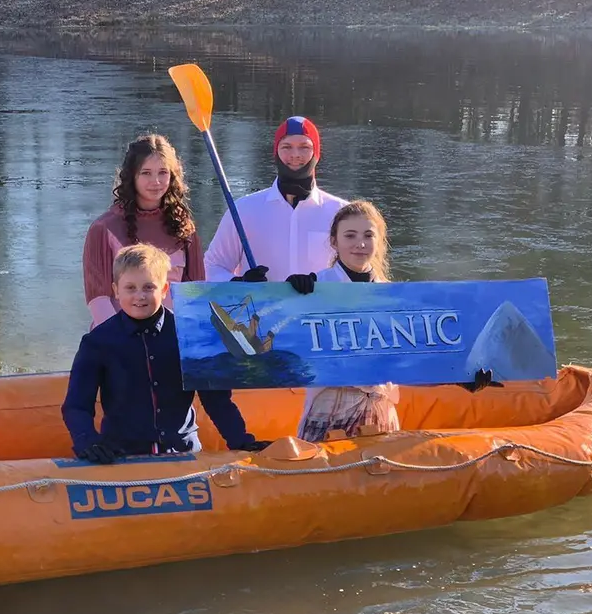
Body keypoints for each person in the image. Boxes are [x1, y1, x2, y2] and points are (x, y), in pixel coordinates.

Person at [62, 244, 268, 463]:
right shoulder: (97, 342)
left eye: (148, 287)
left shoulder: (190, 335)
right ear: (115, 290)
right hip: (122, 458)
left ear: (164, 289)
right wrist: (88, 442)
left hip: (184, 454)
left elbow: (216, 399)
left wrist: (242, 441)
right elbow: (77, 405)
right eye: (130, 288)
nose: (139, 296)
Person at [284, 201, 402, 442]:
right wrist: (288, 297)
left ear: (379, 241)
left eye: (368, 235)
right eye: (350, 235)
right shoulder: (312, 288)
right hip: (329, 408)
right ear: (334, 241)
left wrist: (462, 377)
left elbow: (412, 357)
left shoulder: (393, 295)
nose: (360, 244)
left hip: (380, 408)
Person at [203, 116, 347, 289]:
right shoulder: (243, 210)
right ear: (275, 151)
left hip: (319, 313)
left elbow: (358, 269)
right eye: (286, 147)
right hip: (260, 313)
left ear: (316, 152)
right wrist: (238, 283)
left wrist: (321, 282)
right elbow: (213, 266)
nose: (295, 155)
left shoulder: (341, 212)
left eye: (304, 147)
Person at [82, 134, 205, 328]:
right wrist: (127, 343)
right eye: (146, 173)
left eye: (163, 172)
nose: (156, 181)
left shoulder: (184, 227)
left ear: (173, 176)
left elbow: (195, 293)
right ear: (132, 176)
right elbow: (98, 300)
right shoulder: (103, 229)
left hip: (171, 340)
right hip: (117, 343)